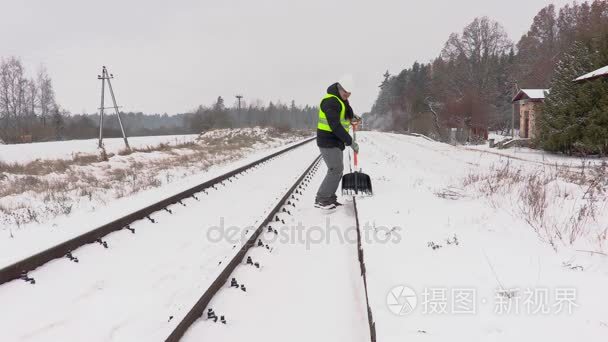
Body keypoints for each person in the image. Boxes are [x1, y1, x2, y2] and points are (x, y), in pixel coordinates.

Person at [315, 82, 360, 210]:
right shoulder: (330, 101)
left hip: (335, 141)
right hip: (328, 141)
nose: (347, 95)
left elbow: (344, 117)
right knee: (335, 169)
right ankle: (322, 199)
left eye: (349, 93)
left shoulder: (341, 101)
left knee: (338, 170)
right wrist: (350, 142)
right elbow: (335, 125)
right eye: (345, 92)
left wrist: (353, 118)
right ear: (338, 90)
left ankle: (329, 198)